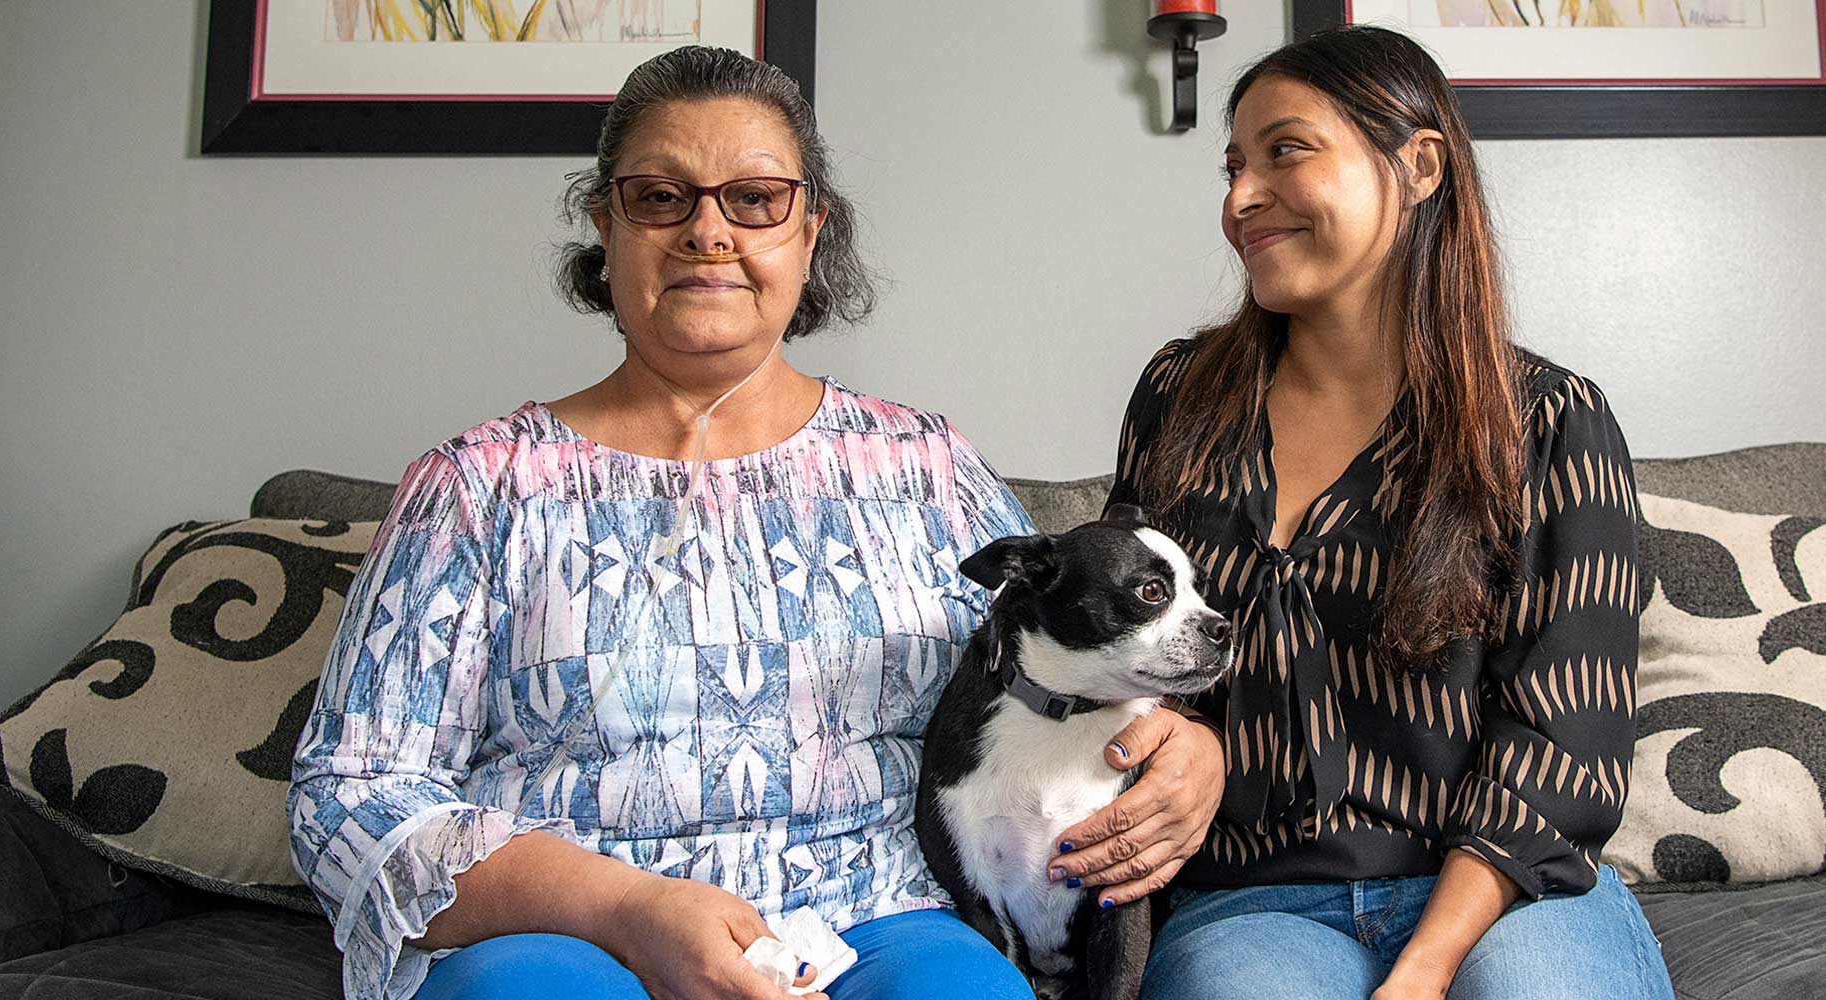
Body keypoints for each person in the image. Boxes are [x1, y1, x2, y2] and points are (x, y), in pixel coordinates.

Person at [285, 46, 1222, 1000]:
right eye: (660, 197)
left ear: (811, 231)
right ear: (604, 225)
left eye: (756, 199)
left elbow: (1055, 665)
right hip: (566, 939)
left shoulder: (924, 469)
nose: (707, 231)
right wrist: (625, 909)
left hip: (881, 919)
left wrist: (1185, 747)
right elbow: (348, 796)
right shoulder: (477, 490)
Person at [1101, 26, 1675, 1000]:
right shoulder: (1178, 397)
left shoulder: (1547, 420)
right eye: (1234, 164)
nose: (1241, 198)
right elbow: (1102, 638)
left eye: (1287, 150)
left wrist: (1427, 966)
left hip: (1510, 893)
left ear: (1418, 165)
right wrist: (1177, 728)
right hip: (1255, 907)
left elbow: (1565, 734)